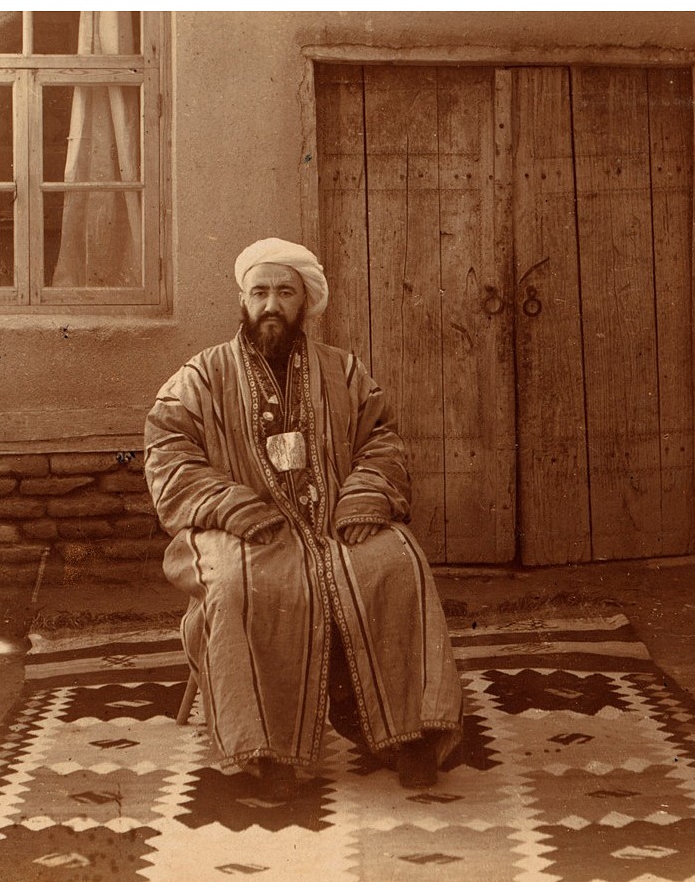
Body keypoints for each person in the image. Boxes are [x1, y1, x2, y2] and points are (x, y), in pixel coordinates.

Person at [145, 237, 462, 801]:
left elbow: (381, 439)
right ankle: (268, 751)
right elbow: (168, 453)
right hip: (242, 524)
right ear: (243, 300)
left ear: (306, 302)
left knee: (398, 563)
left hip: (337, 519)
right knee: (242, 583)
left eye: (285, 292)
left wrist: (364, 495)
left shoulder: (344, 371)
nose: (271, 305)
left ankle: (409, 732)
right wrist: (230, 504)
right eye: (259, 292)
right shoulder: (201, 376)